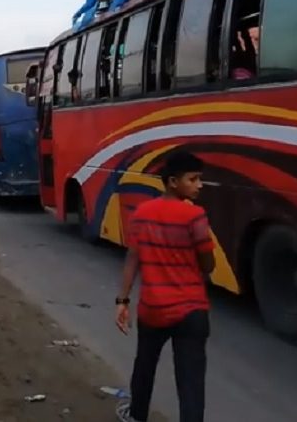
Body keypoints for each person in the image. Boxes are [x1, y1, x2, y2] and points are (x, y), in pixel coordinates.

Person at [115, 151, 216, 422]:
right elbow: (208, 266)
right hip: (192, 311)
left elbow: (132, 260)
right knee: (191, 382)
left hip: (153, 309)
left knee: (144, 367)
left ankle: (136, 416)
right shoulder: (195, 216)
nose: (199, 185)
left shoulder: (141, 214)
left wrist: (122, 301)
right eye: (193, 179)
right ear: (173, 181)